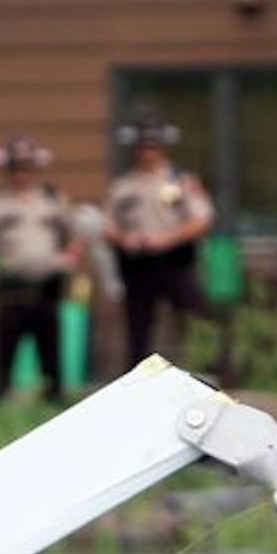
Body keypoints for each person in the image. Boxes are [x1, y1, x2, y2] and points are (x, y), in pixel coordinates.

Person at [0, 133, 82, 404]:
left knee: (50, 350)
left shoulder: (52, 200)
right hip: (9, 288)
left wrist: (69, 259)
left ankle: (54, 396)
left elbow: (74, 234)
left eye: (27, 169)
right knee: (3, 350)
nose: (21, 175)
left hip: (46, 286)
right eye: (16, 169)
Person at [105, 112, 215, 365]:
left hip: (176, 262)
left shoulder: (181, 181)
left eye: (153, 146)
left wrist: (168, 239)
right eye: (142, 146)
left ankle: (213, 376)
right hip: (137, 265)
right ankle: (137, 389)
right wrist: (124, 239)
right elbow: (107, 226)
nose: (148, 152)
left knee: (197, 320)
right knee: (139, 334)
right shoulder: (123, 186)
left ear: (162, 147)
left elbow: (202, 220)